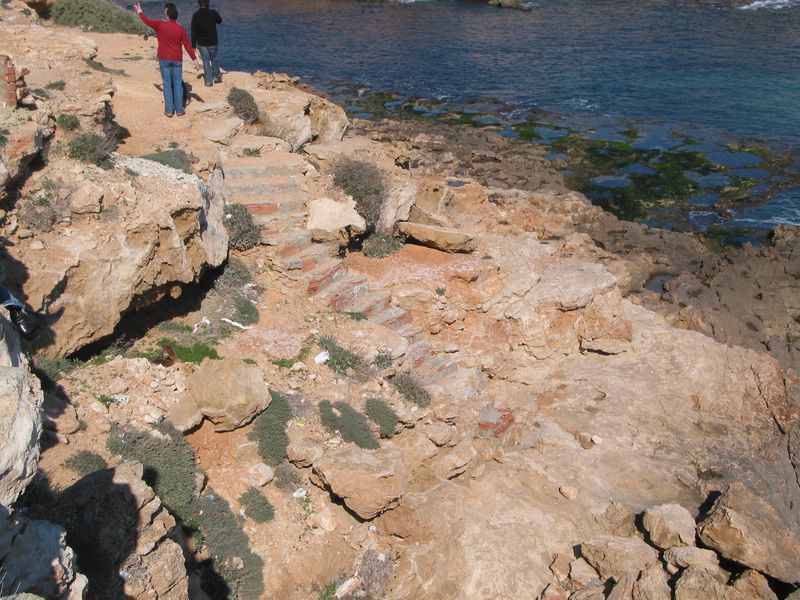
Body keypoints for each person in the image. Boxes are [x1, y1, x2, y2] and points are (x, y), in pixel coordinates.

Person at [134, 2, 200, 117]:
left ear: (167, 13)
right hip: (177, 60)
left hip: (164, 58)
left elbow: (147, 21)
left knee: (167, 84)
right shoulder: (181, 29)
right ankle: (180, 109)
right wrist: (195, 60)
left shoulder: (160, 25)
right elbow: (188, 47)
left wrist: (139, 11)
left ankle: (169, 110)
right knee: (177, 84)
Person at [191, 0, 223, 87]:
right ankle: (217, 77)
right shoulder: (213, 13)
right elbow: (220, 21)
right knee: (214, 59)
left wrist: (193, 45)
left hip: (201, 43)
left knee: (205, 60)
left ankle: (208, 81)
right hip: (213, 41)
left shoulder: (196, 15)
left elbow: (193, 32)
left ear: (199, 3)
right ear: (208, 3)